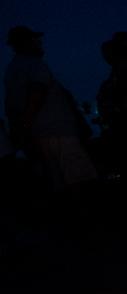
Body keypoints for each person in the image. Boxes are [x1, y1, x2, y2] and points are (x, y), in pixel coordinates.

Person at [4, 26, 97, 206]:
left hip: (40, 134)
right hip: (58, 128)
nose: (40, 43)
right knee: (74, 172)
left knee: (58, 175)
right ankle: (86, 215)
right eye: (35, 39)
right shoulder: (35, 64)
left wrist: (23, 127)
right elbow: (38, 91)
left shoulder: (11, 71)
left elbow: (10, 106)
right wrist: (26, 121)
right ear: (26, 41)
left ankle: (71, 215)